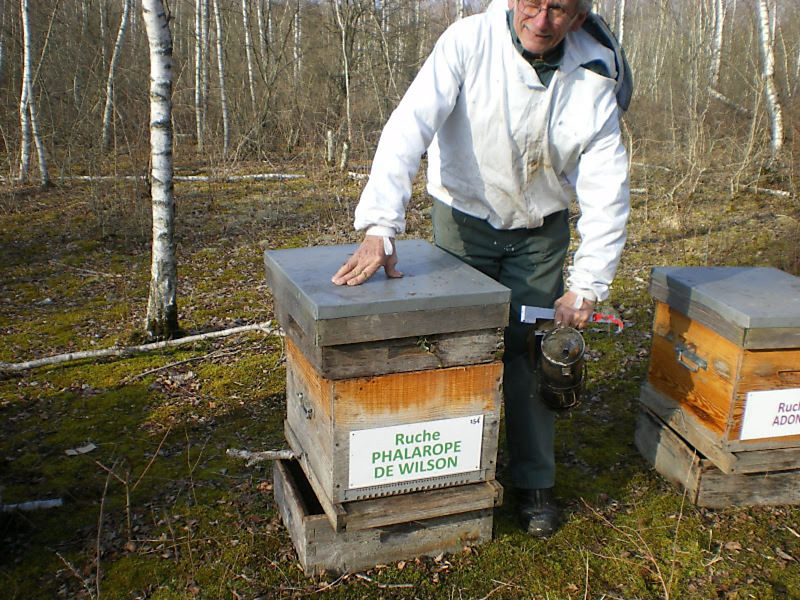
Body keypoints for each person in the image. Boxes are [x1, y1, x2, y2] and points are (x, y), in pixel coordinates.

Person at [331, 0, 630, 537]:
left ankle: (534, 481)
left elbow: (608, 190)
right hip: (464, 220)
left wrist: (586, 284)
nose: (541, 22)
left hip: (540, 230)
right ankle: (446, 474)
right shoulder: (468, 41)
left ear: (580, 19)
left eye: (558, 11)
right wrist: (380, 224)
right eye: (533, 4)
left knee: (535, 350)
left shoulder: (596, 75)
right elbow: (410, 125)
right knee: (457, 347)